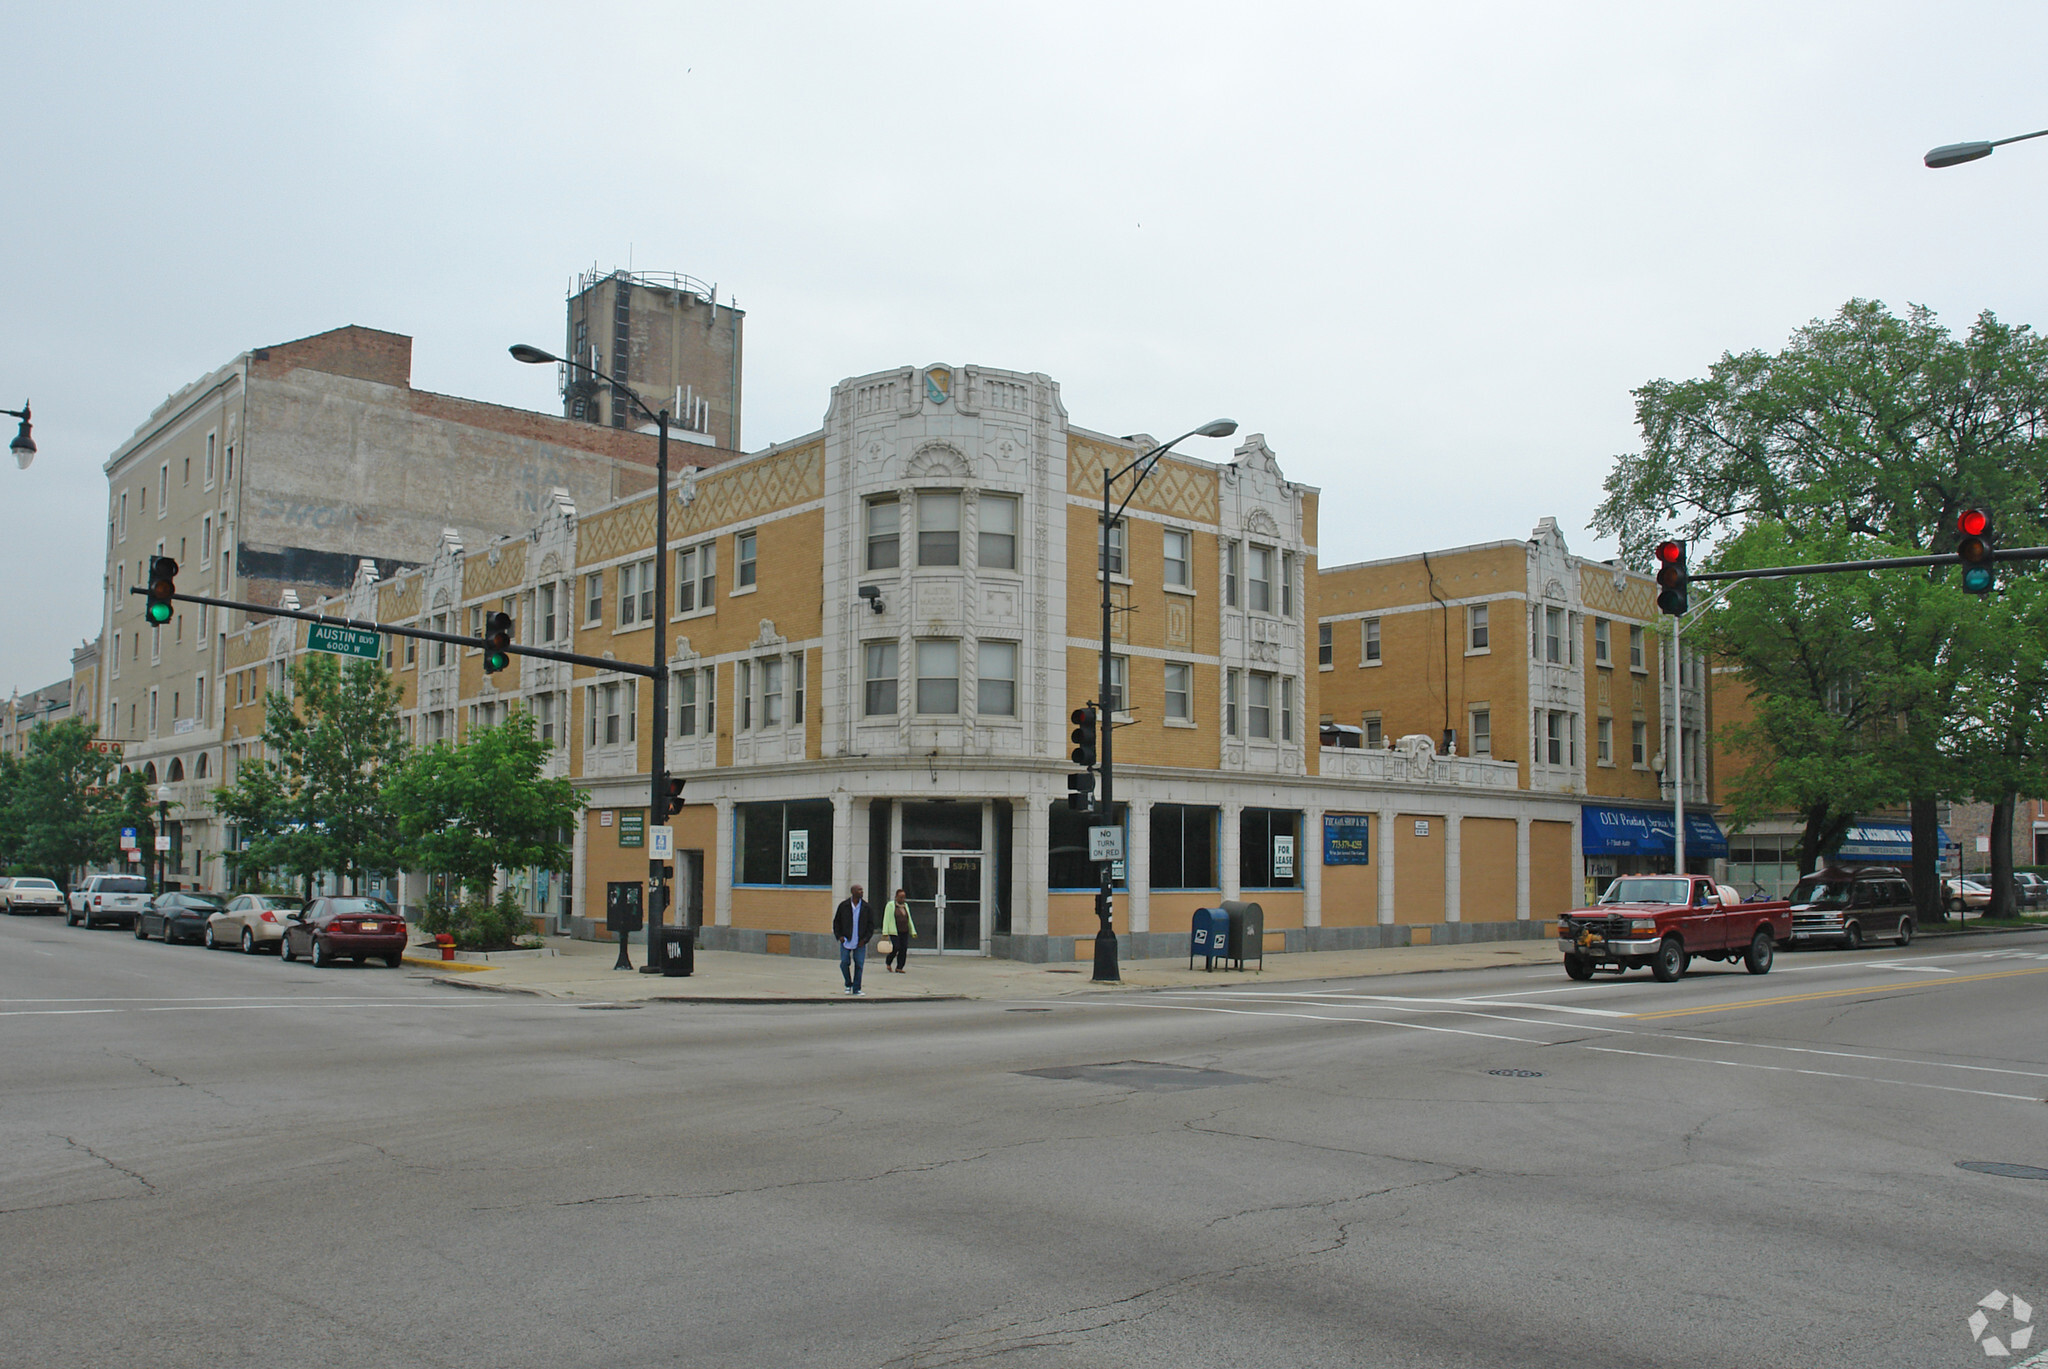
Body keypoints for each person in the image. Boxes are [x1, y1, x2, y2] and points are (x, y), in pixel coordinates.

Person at [832, 883, 877, 996]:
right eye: (859, 890)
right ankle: (848, 984)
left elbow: (871, 925)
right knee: (844, 962)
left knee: (859, 964)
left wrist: (865, 939)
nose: (861, 892)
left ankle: (856, 988)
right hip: (846, 940)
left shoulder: (866, 907)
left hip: (860, 941)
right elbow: (836, 922)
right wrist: (839, 936)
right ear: (853, 892)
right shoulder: (844, 906)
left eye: (862, 890)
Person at [880, 888, 914, 972]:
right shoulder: (891, 905)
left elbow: (909, 919)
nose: (902, 899)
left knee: (903, 948)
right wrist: (885, 932)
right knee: (896, 947)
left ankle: (899, 967)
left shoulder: (905, 906)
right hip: (894, 931)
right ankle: (889, 961)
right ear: (896, 897)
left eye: (904, 897)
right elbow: (886, 918)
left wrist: (912, 930)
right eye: (900, 897)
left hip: (904, 930)